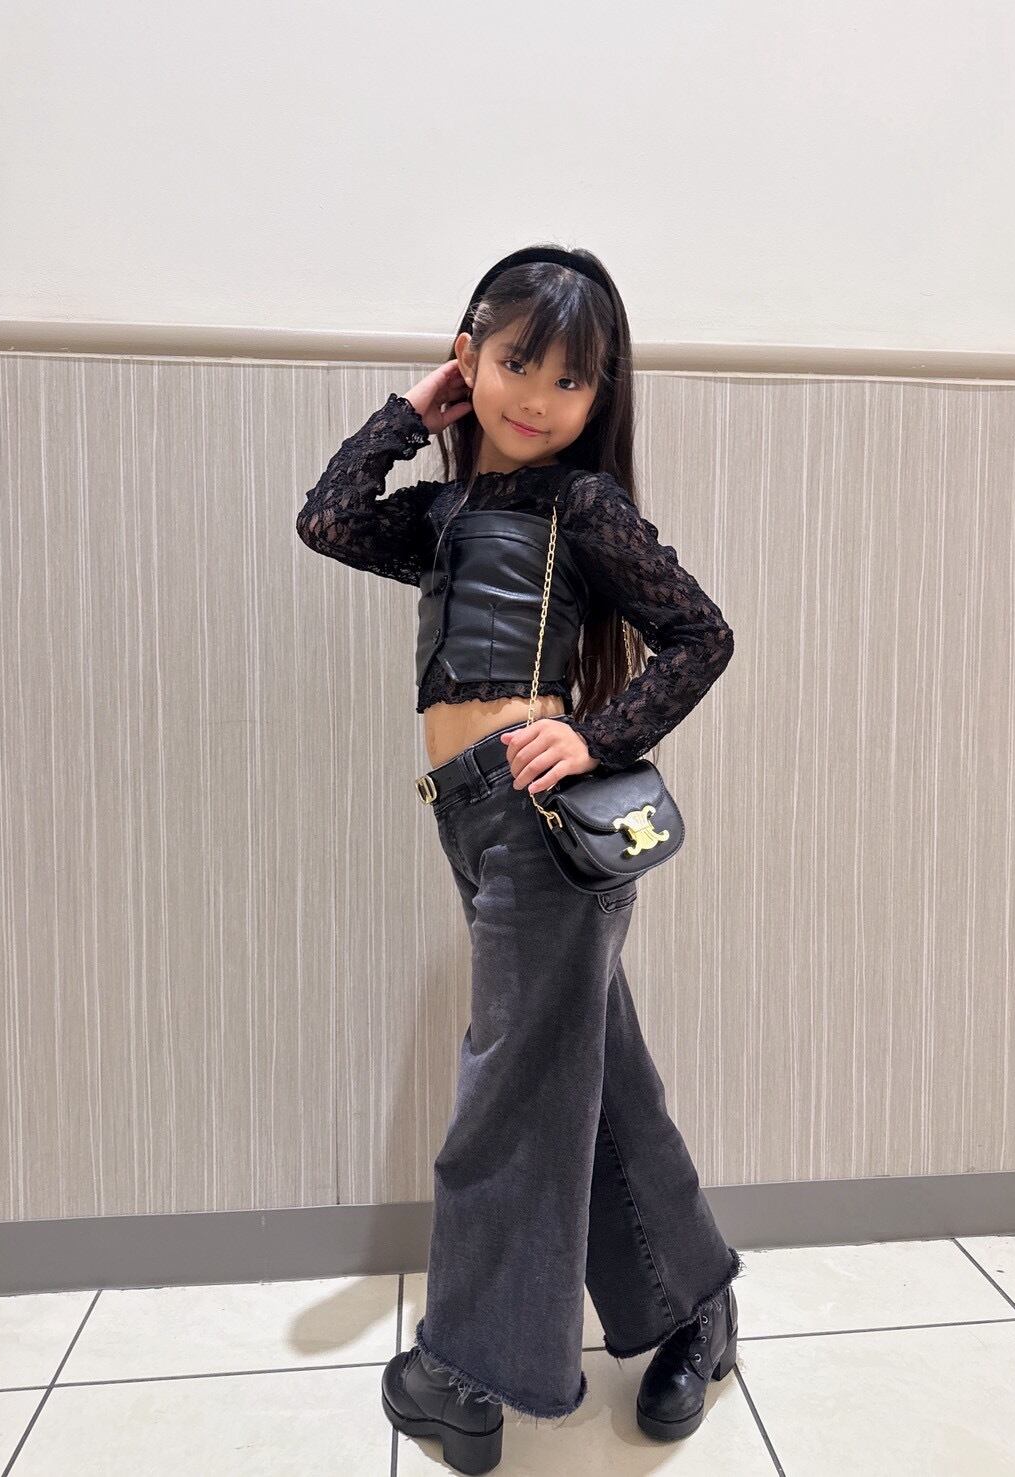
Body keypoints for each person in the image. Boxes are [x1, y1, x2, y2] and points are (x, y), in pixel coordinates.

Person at [296, 244, 744, 1475]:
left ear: (601, 397)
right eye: (513, 363)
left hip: (537, 822)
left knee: (512, 1092)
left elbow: (698, 636)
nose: (538, 396)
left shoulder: (580, 508)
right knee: (588, 1077)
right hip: (470, 815)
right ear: (469, 359)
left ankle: (465, 1371)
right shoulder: (444, 516)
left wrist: (594, 732)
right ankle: (695, 1304)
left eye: (571, 379)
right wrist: (412, 414)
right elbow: (327, 519)